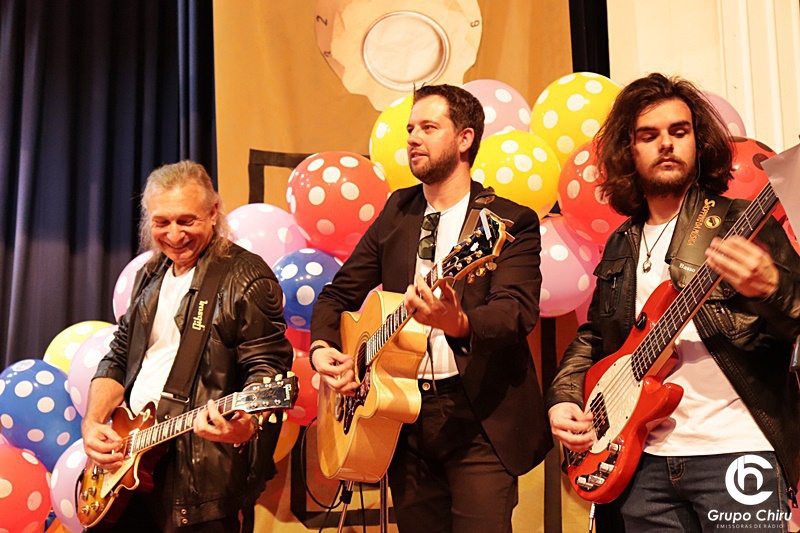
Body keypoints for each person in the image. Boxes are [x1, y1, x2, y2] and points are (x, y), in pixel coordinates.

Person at [546, 73, 800, 531]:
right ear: (629, 151)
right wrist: (563, 397)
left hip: (736, 450)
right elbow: (595, 337)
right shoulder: (622, 241)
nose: (666, 144)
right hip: (640, 461)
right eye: (649, 135)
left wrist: (771, 286)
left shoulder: (742, 221)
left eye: (679, 132)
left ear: (698, 144)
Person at [309, 84, 552, 532]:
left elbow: (515, 313)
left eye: (428, 127)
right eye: (409, 130)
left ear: (464, 139)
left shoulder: (507, 221)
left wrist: (458, 322)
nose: (413, 139)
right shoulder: (397, 211)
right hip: (401, 418)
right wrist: (322, 348)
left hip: (478, 417)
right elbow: (336, 295)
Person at [82, 161, 293, 532]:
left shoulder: (247, 276)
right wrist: (93, 422)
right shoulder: (150, 274)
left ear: (213, 213)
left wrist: (244, 425)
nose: (174, 235)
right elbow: (118, 357)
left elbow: (267, 369)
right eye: (162, 222)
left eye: (186, 221)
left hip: (201, 484)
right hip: (128, 467)